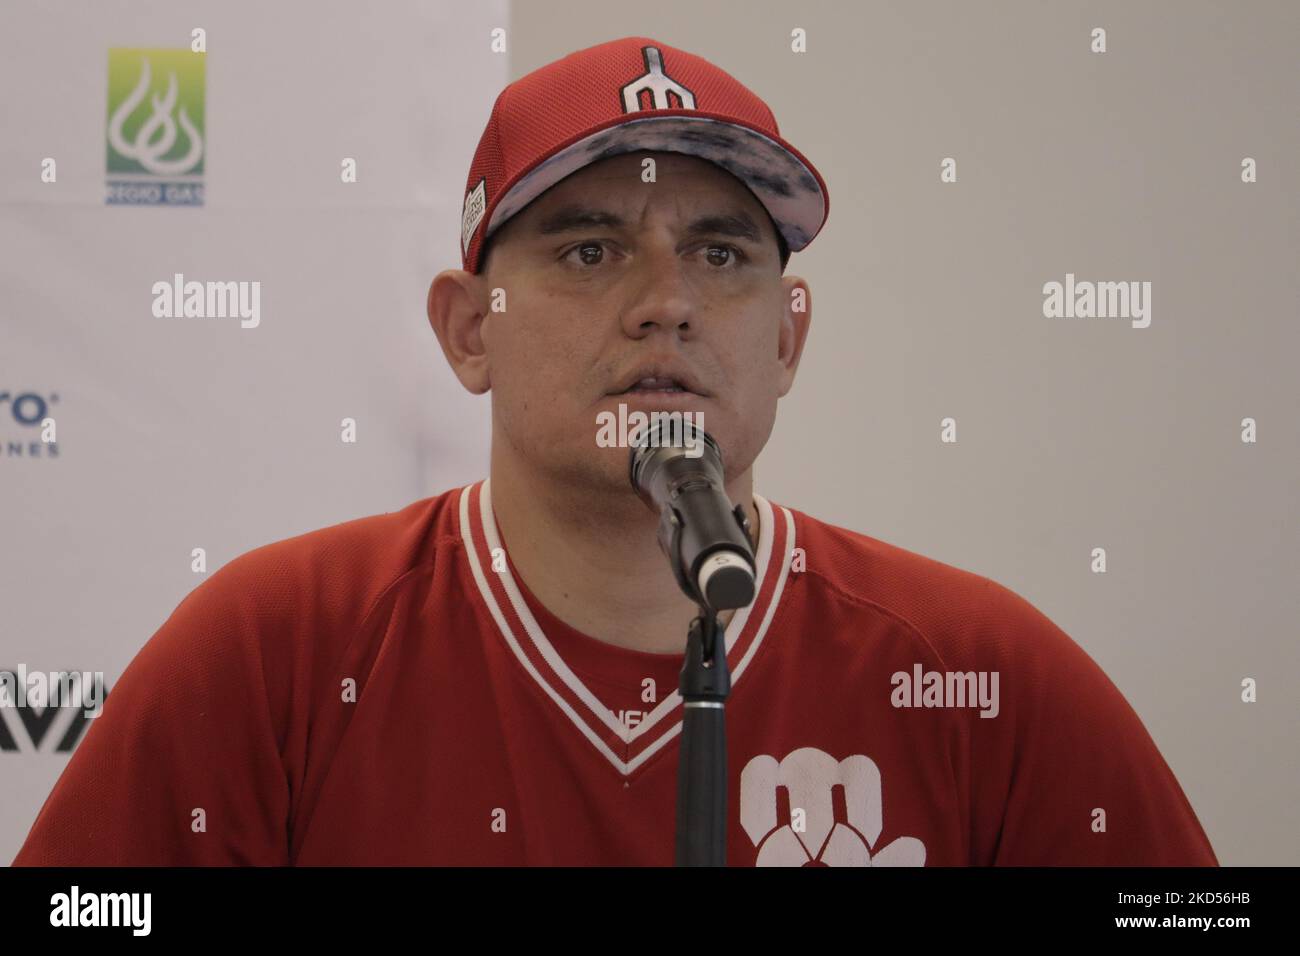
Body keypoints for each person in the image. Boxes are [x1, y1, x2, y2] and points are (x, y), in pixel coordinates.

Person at [12, 36, 1216, 866]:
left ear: (788, 340)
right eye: (590, 250)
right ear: (469, 328)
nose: (666, 302)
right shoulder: (274, 650)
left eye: (723, 253)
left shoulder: (976, 672)